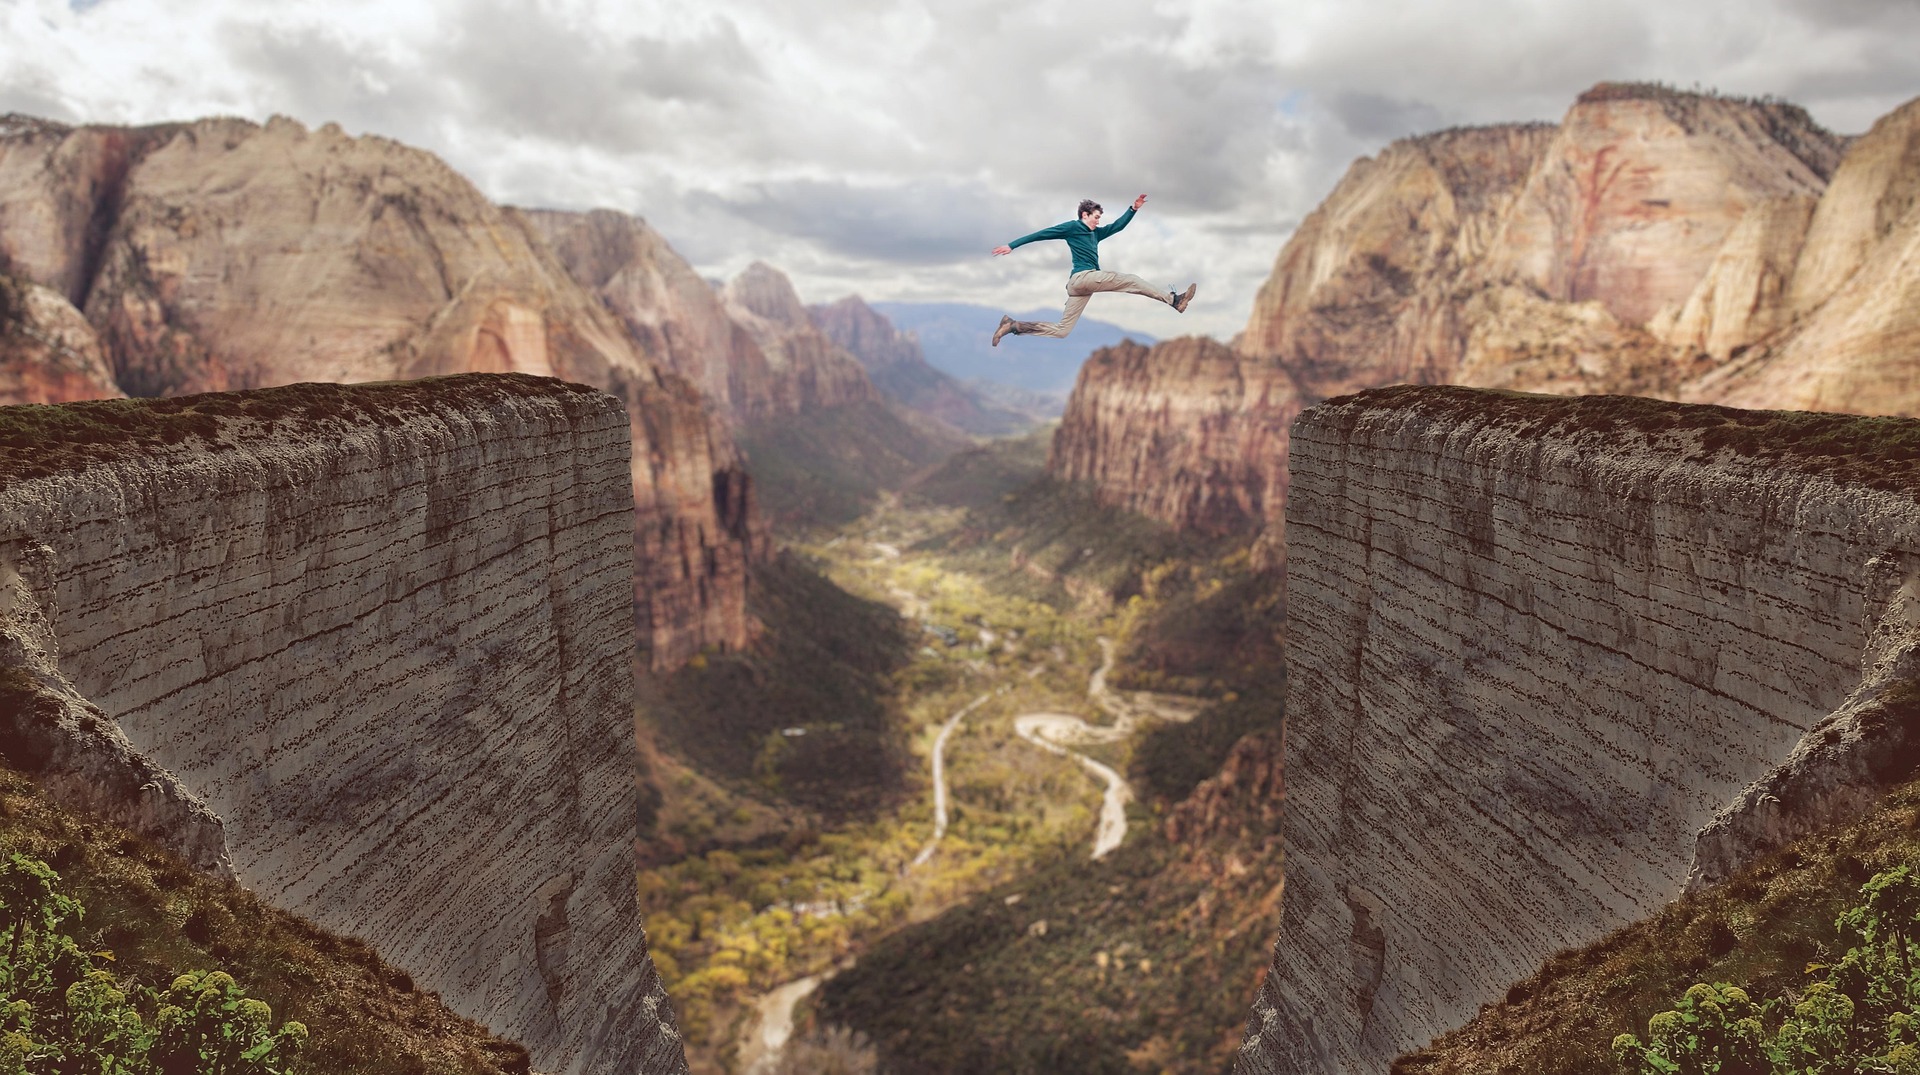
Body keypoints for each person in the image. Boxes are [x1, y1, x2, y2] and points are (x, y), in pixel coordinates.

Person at [990, 194, 1196, 346]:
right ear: (1085, 214)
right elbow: (1041, 234)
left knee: (1062, 331)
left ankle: (1013, 326)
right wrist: (1012, 245)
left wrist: (1133, 209)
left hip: (1081, 287)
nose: (1098, 221)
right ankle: (1173, 300)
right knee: (1131, 280)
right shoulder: (1072, 227)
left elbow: (1117, 226)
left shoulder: (1095, 233)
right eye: (1096, 217)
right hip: (1083, 278)